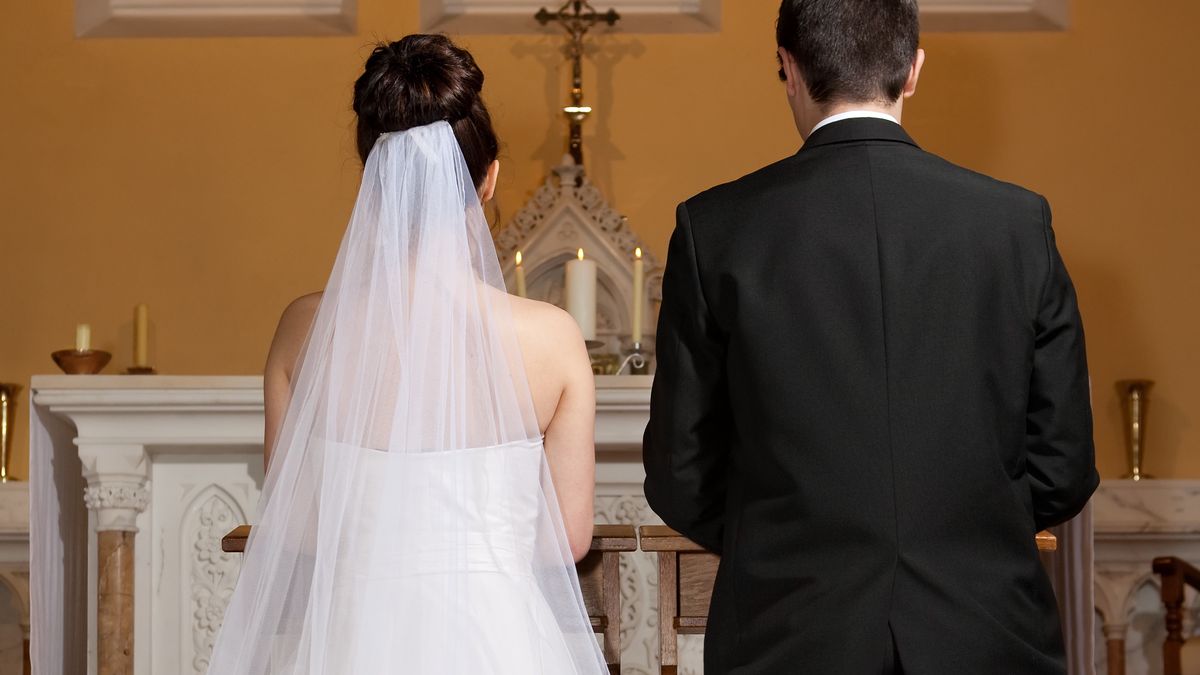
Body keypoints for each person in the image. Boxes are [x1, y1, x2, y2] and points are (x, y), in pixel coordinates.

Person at [643, 1, 1099, 673]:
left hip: (787, 634)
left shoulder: (717, 229)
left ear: (788, 69)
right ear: (913, 70)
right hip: (986, 632)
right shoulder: (1015, 225)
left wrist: (775, 534)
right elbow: (1063, 465)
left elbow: (680, 471)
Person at [208, 35, 607, 675]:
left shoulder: (302, 329)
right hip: (498, 639)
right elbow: (568, 538)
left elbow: (295, 524)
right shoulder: (551, 336)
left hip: (353, 637)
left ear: (373, 175)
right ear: (489, 176)